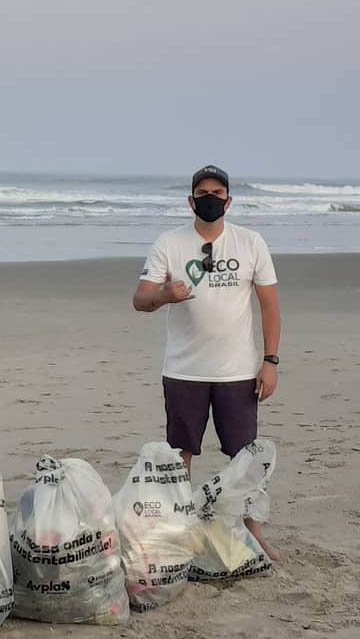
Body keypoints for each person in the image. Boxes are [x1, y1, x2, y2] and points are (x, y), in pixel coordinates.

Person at [132, 165, 283, 561]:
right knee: (180, 454)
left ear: (229, 200)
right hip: (184, 371)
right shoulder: (170, 243)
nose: (210, 198)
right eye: (203, 192)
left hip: (238, 372)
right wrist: (165, 294)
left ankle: (254, 535)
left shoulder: (251, 243)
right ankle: (179, 531)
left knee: (245, 458)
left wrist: (270, 361)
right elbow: (140, 299)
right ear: (190, 200)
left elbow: (269, 306)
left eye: (218, 192)